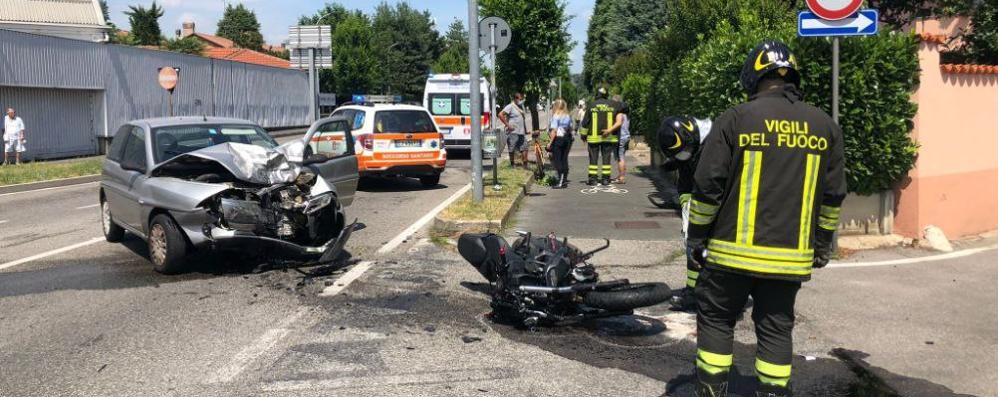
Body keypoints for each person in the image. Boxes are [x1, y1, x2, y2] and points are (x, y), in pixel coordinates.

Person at [688, 41, 845, 397]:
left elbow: (707, 185)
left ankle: (712, 391)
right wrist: (821, 245)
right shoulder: (824, 127)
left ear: (753, 76)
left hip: (730, 256)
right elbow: (833, 196)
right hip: (789, 259)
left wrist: (696, 238)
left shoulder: (736, 119)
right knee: (776, 329)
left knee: (716, 320)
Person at [654, 115, 713, 311]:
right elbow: (685, 182)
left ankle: (725, 297)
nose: (683, 157)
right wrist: (687, 206)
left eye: (684, 153)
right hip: (701, 204)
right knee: (693, 243)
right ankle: (693, 291)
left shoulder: (716, 143)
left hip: (724, 204)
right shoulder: (689, 149)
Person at [579, 88, 622, 186]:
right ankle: (606, 179)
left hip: (593, 139)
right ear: (607, 94)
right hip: (608, 137)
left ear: (597, 95)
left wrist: (583, 136)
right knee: (606, 159)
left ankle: (593, 180)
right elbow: (624, 108)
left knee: (593, 159)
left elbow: (585, 123)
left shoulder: (591, 105)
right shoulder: (614, 104)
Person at [547, 99, 573, 189]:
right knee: (564, 159)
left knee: (557, 160)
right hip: (567, 139)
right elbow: (570, 128)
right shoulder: (567, 116)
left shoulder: (556, 116)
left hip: (558, 139)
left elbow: (554, 130)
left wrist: (550, 143)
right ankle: (564, 179)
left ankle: (560, 181)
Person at [498, 93, 529, 168]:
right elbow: (500, 114)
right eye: (520, 99)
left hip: (521, 132)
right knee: (512, 148)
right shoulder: (510, 106)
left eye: (522, 99)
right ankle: (512, 164)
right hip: (513, 132)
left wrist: (526, 130)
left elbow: (522, 119)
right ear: (515, 99)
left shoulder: (521, 107)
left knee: (525, 148)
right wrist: (508, 125)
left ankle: (525, 165)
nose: (521, 101)